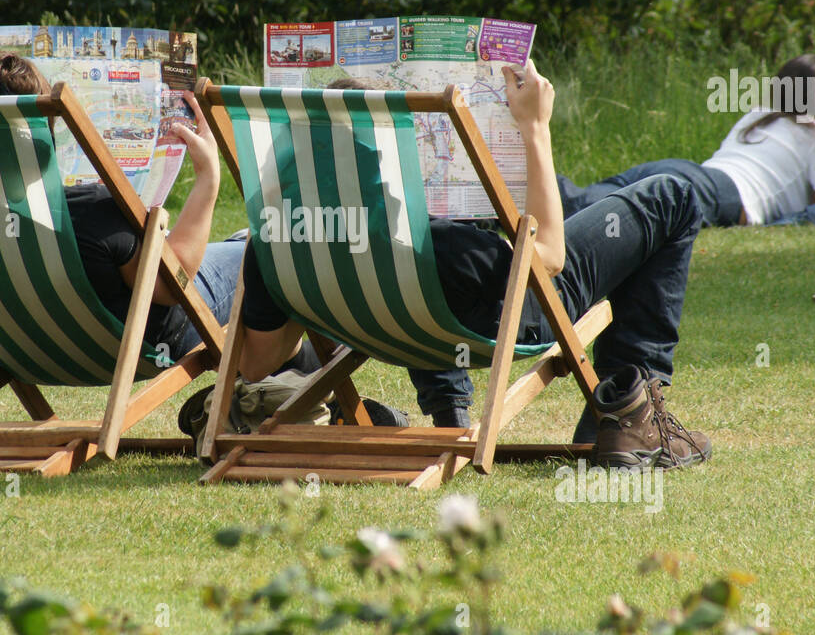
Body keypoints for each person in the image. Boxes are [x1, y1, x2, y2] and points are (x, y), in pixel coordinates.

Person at [237, 62, 712, 470]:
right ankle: (629, 417)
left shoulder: (275, 243)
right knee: (671, 197)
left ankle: (454, 414)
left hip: (395, 331)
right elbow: (547, 258)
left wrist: (319, 293)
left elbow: (258, 362)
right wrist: (535, 128)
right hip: (517, 317)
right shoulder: (436, 242)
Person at [0, 52, 323, 374]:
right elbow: (174, 283)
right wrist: (208, 179)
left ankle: (296, 380)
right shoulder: (87, 214)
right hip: (149, 336)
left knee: (246, 245)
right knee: (277, 245)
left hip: (28, 349)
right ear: (46, 134)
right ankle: (310, 377)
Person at [556, 54, 815, 226]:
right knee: (598, 214)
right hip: (720, 195)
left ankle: (520, 194)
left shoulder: (759, 114)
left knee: (592, 204)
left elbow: (787, 182)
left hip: (688, 173)